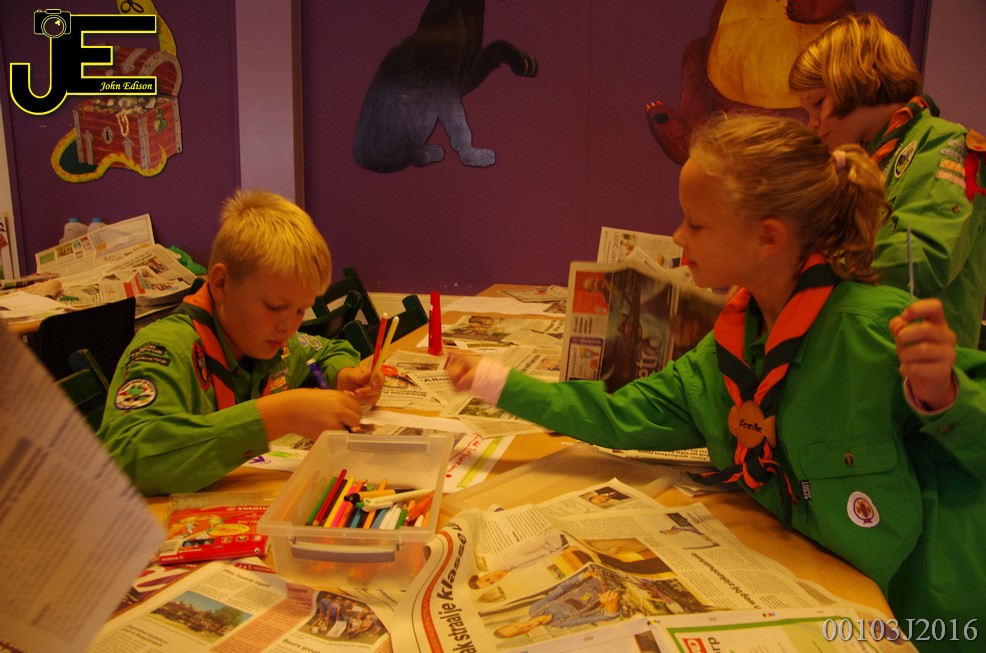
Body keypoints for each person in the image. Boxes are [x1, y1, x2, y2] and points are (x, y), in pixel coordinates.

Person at [449, 115, 986, 651]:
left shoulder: (871, 331)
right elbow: (620, 414)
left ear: (767, 238)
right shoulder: (727, 352)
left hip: (928, 620)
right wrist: (495, 381)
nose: (679, 236)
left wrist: (944, 396)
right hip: (822, 596)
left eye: (697, 224)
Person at [98, 190, 382, 496]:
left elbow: (329, 350)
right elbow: (124, 457)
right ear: (221, 284)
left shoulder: (269, 341)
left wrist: (344, 375)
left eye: (301, 310)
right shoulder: (168, 348)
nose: (288, 326)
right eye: (274, 306)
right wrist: (281, 414)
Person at [788, 12, 986, 350]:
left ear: (858, 77)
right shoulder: (862, 164)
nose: (813, 124)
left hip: (921, 365)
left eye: (818, 103)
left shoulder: (944, 144)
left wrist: (811, 270)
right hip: (865, 352)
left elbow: (924, 260)